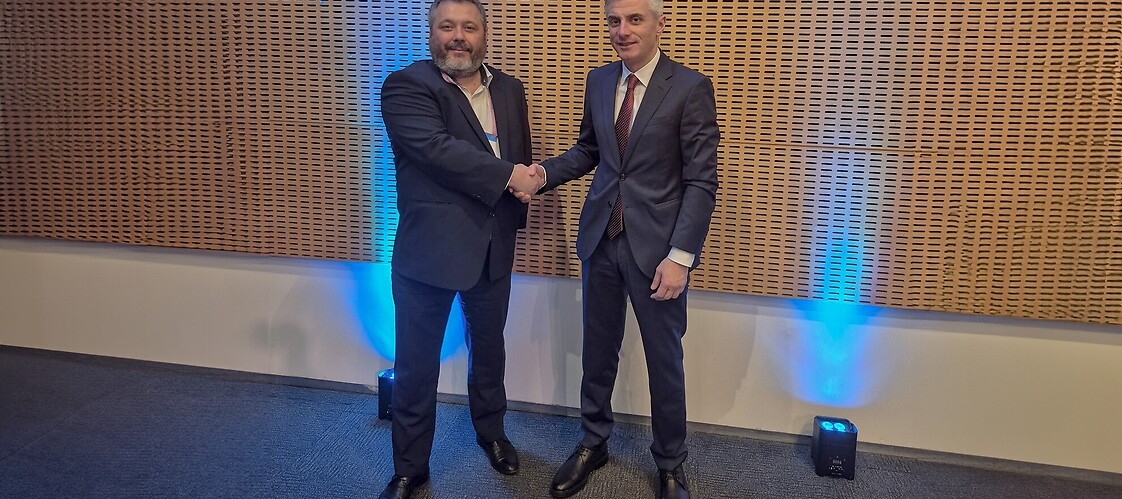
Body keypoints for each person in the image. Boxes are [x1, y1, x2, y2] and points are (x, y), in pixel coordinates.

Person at [525, 0, 719, 498]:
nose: (622, 30)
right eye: (614, 20)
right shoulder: (598, 81)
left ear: (659, 24)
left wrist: (681, 257)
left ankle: (670, 464)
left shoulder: (690, 87)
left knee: (663, 361)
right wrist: (543, 174)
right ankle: (593, 442)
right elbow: (590, 150)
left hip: (659, 253)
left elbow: (701, 181)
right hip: (601, 239)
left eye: (635, 19)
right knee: (597, 350)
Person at [377, 0, 544, 498]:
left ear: (484, 33)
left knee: (490, 351)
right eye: (447, 26)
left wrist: (523, 184)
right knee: (416, 365)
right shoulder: (406, 86)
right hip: (428, 253)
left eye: (469, 27)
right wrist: (510, 176)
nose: (458, 36)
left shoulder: (510, 90)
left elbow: (518, 154)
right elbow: (436, 151)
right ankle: (411, 468)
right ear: (431, 32)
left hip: (493, 248)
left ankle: (492, 433)